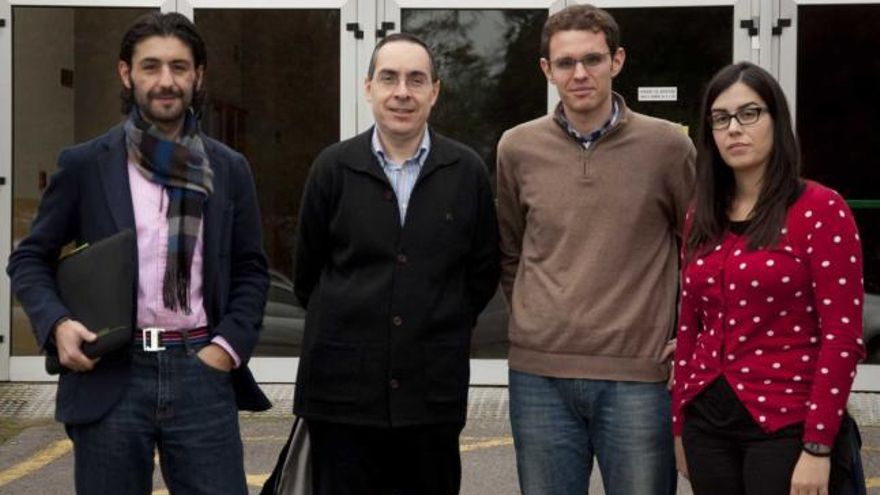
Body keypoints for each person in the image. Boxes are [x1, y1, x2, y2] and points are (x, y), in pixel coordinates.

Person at [7, 12, 270, 494]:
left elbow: (252, 270)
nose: (165, 81)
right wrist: (57, 324)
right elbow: (29, 259)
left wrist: (226, 348)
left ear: (198, 76)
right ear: (126, 74)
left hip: (201, 372)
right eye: (151, 67)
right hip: (112, 376)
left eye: (178, 67)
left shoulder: (229, 168)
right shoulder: (86, 164)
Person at [496, 4, 695, 495]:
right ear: (546, 69)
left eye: (593, 59)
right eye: (565, 62)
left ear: (618, 60)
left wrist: (690, 335)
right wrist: (535, 318)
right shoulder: (516, 148)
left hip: (639, 378)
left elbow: (699, 250)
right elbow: (510, 251)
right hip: (538, 378)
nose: (580, 73)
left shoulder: (668, 147)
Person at [291, 32, 500, 495]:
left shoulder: (466, 172)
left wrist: (435, 319)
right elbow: (308, 274)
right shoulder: (332, 168)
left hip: (431, 397)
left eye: (415, 79)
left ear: (435, 91)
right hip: (341, 398)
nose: (402, 92)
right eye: (389, 78)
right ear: (368, 87)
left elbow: (482, 272)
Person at [671, 61, 866, 495]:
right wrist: (680, 425)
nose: (734, 129)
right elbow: (689, 325)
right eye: (720, 118)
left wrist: (818, 446)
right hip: (707, 424)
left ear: (777, 119)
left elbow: (842, 335)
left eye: (749, 113)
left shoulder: (820, 209)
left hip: (787, 424)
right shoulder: (700, 214)